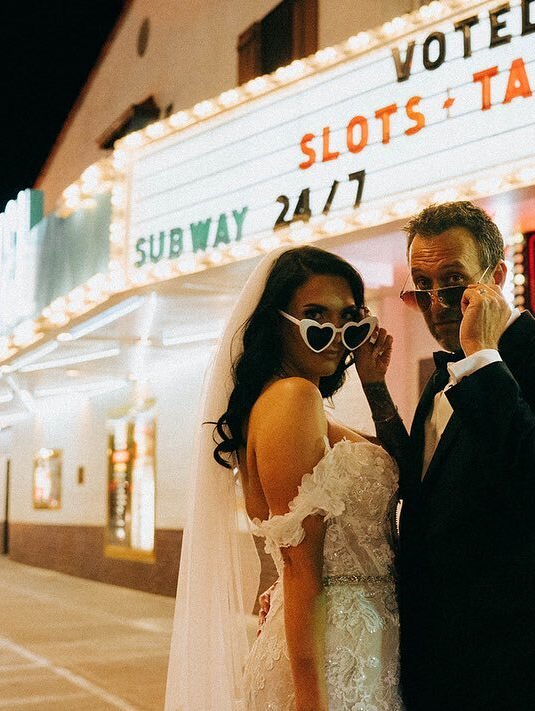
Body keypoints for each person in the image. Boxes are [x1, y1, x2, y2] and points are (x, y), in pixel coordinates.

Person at [369, 201, 535, 710]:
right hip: (437, 657)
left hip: (521, 664)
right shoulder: (442, 376)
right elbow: (422, 485)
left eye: (452, 282)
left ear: (496, 275)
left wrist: (483, 358)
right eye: (423, 286)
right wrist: (375, 392)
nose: (436, 303)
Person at [165, 246, 404, 711]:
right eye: (315, 317)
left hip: (358, 636)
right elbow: (299, 563)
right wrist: (310, 694)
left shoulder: (289, 401)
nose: (335, 334)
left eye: (349, 318)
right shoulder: (293, 399)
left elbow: (401, 469)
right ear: (277, 323)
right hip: (338, 648)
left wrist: (374, 383)